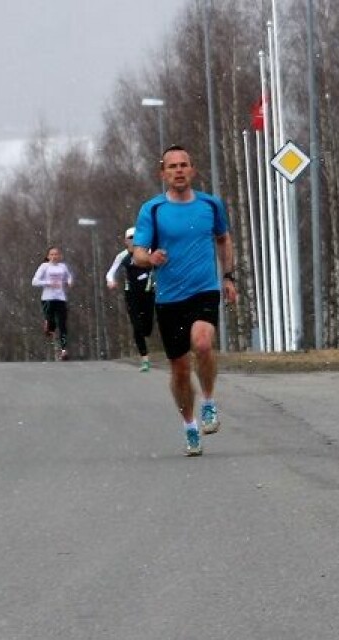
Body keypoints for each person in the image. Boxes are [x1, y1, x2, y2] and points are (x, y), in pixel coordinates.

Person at [131, 145, 237, 456]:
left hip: (204, 289)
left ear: (192, 170)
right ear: (163, 174)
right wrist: (150, 258)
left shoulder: (210, 205)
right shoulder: (152, 210)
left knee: (202, 344)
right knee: (178, 368)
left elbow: (223, 238)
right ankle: (190, 425)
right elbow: (137, 253)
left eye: (184, 165)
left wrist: (228, 277)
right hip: (169, 297)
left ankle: (208, 402)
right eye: (172, 166)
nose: (178, 170)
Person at [105, 226, 155, 372]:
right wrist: (110, 281)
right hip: (131, 294)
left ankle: (145, 335)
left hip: (148, 293)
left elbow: (161, 266)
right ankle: (145, 359)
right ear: (126, 241)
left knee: (147, 328)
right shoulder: (122, 256)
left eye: (136, 238)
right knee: (136, 326)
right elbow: (110, 273)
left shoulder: (149, 252)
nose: (133, 241)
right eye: (130, 238)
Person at [32, 246, 74, 361]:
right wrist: (49, 283)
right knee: (51, 325)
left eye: (56, 254)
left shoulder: (63, 267)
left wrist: (69, 282)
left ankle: (64, 350)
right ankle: (48, 325)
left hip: (61, 298)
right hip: (47, 298)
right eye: (52, 254)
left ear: (60, 256)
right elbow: (34, 281)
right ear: (48, 256)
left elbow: (69, 276)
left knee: (62, 324)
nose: (54, 257)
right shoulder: (44, 267)